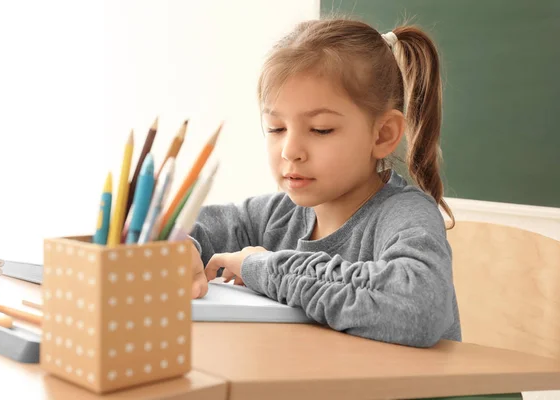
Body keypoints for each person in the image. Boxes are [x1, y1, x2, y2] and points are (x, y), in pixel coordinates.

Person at [188, 18, 460, 348]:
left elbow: (419, 308)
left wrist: (266, 269)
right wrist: (178, 249)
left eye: (320, 130)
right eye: (276, 128)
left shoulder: (405, 214)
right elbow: (186, 229)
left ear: (383, 134)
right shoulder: (276, 215)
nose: (290, 151)